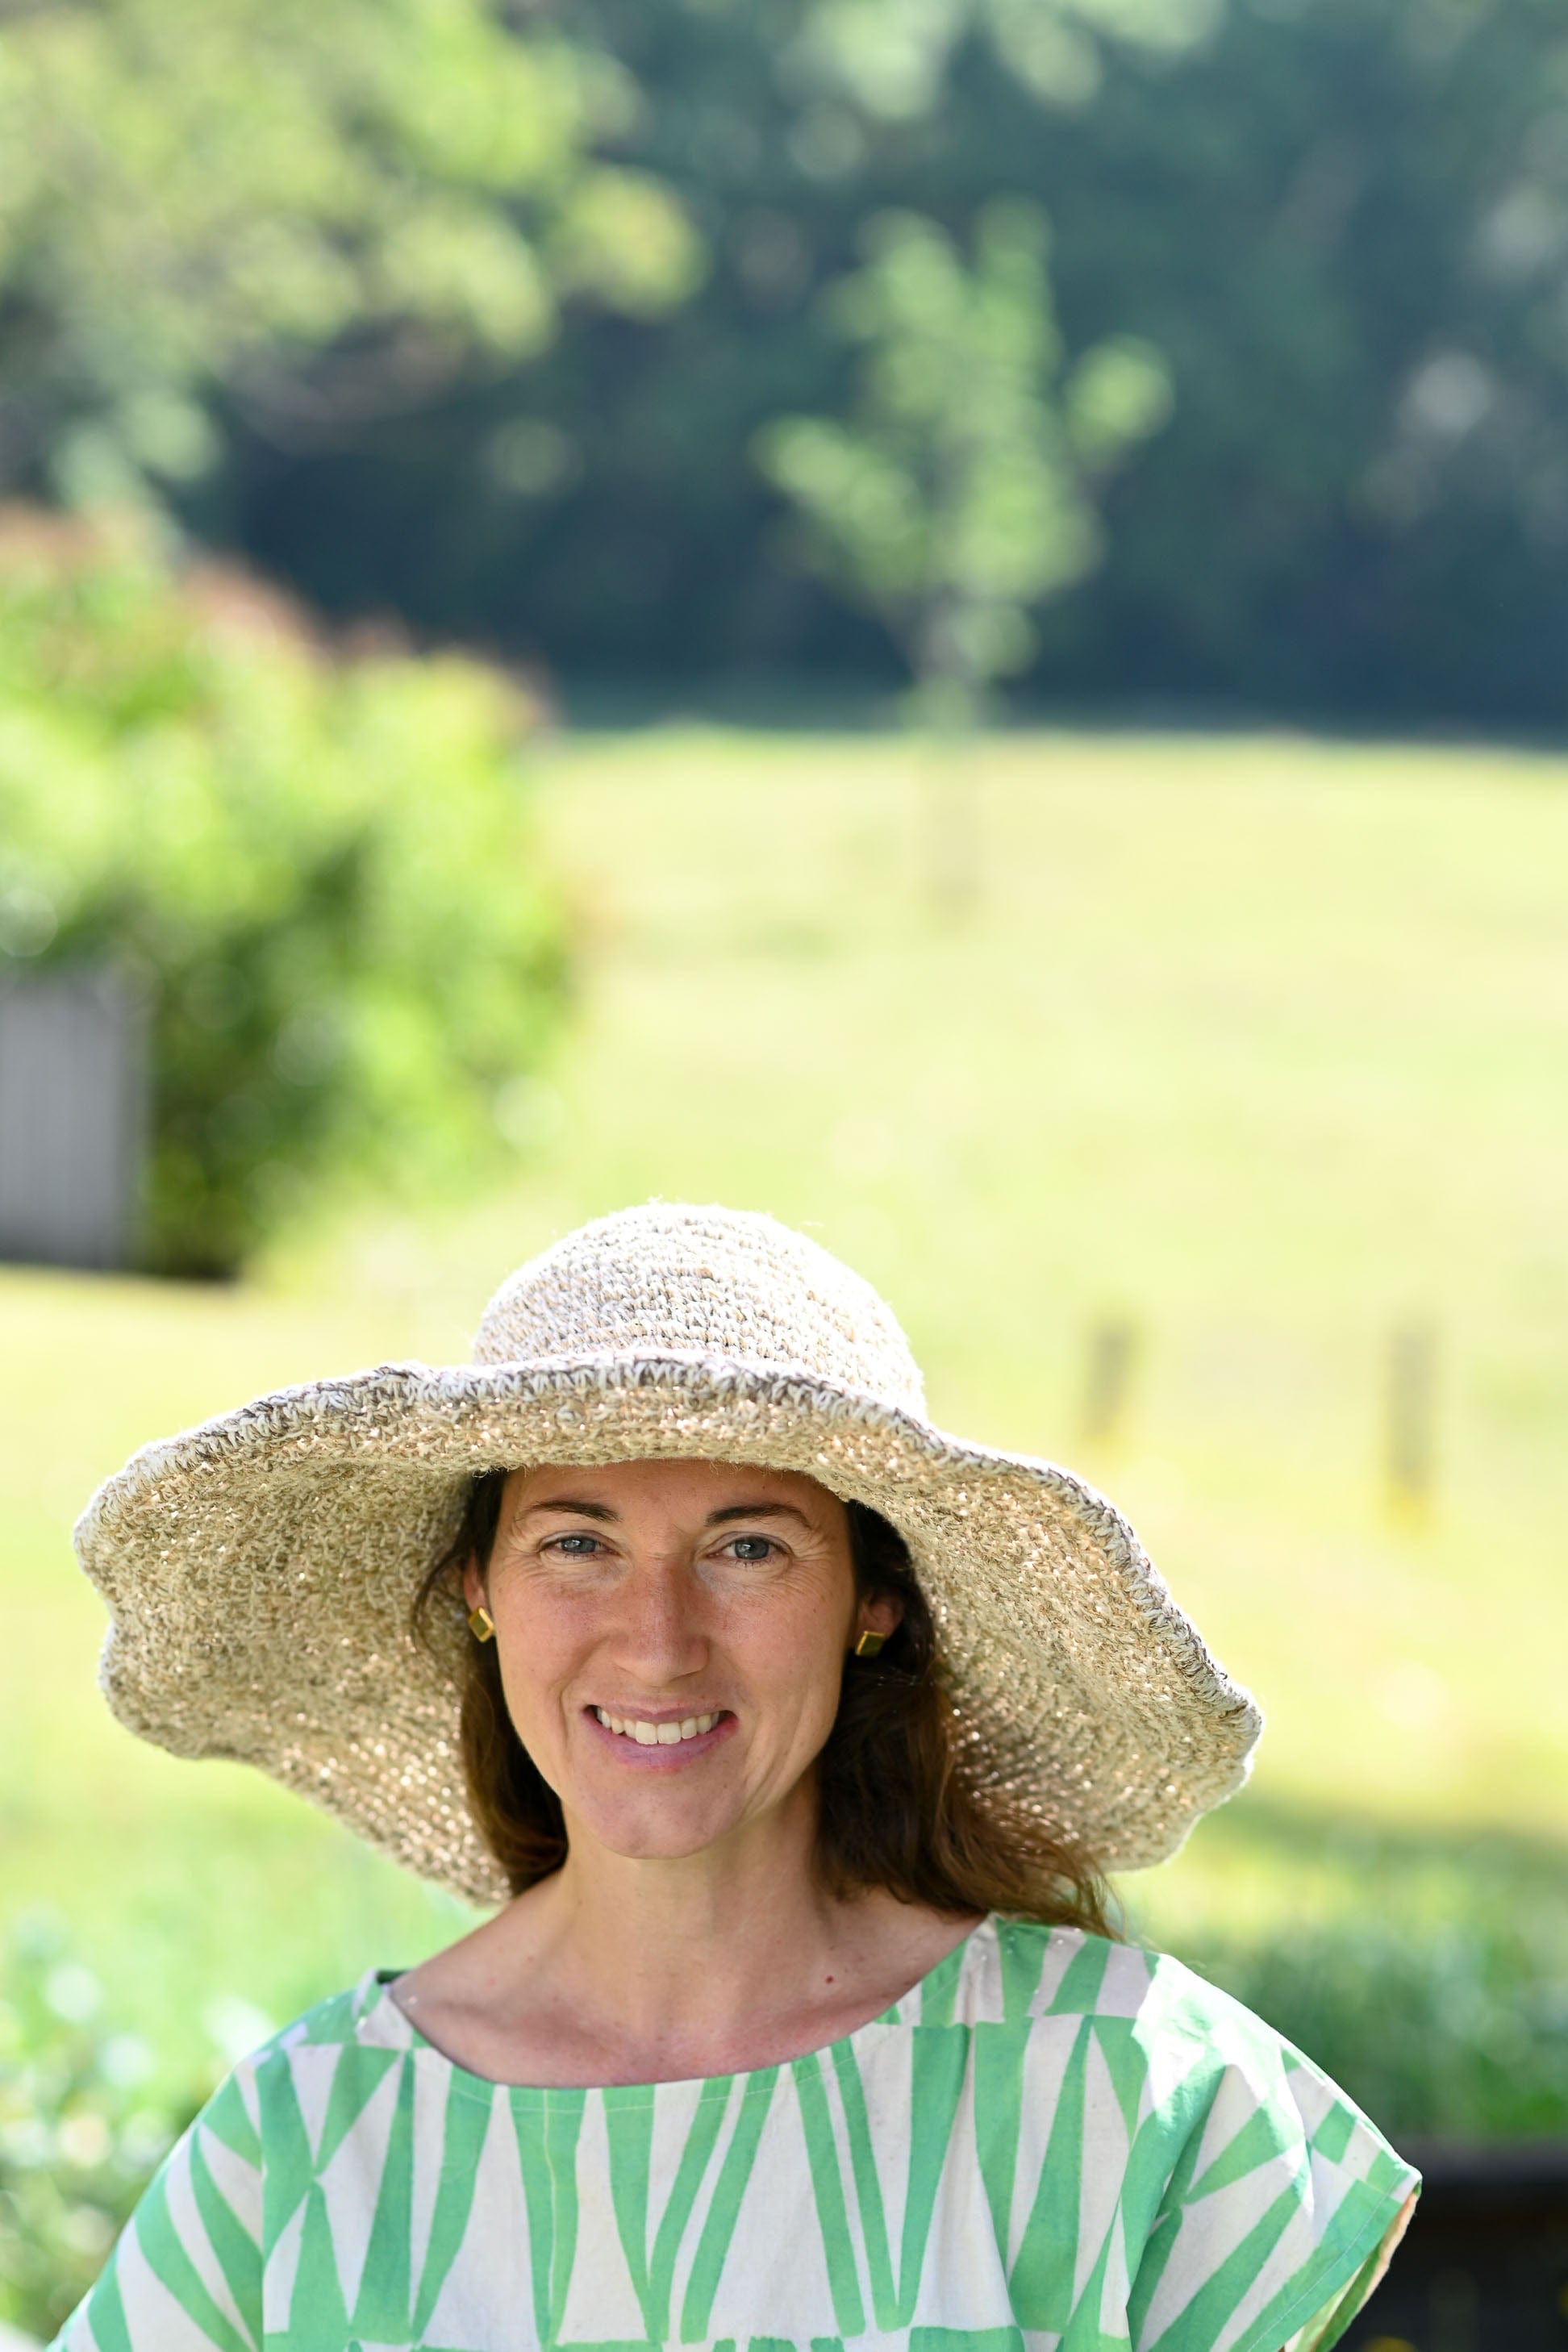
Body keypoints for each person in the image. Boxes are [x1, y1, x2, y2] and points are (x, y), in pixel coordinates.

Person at [50, 1202, 1417, 2352]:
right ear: (480, 1591)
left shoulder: (1129, 2094)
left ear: (875, 1600)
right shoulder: (303, 2147)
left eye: (748, 1548)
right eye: (576, 1544)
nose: (656, 1642)